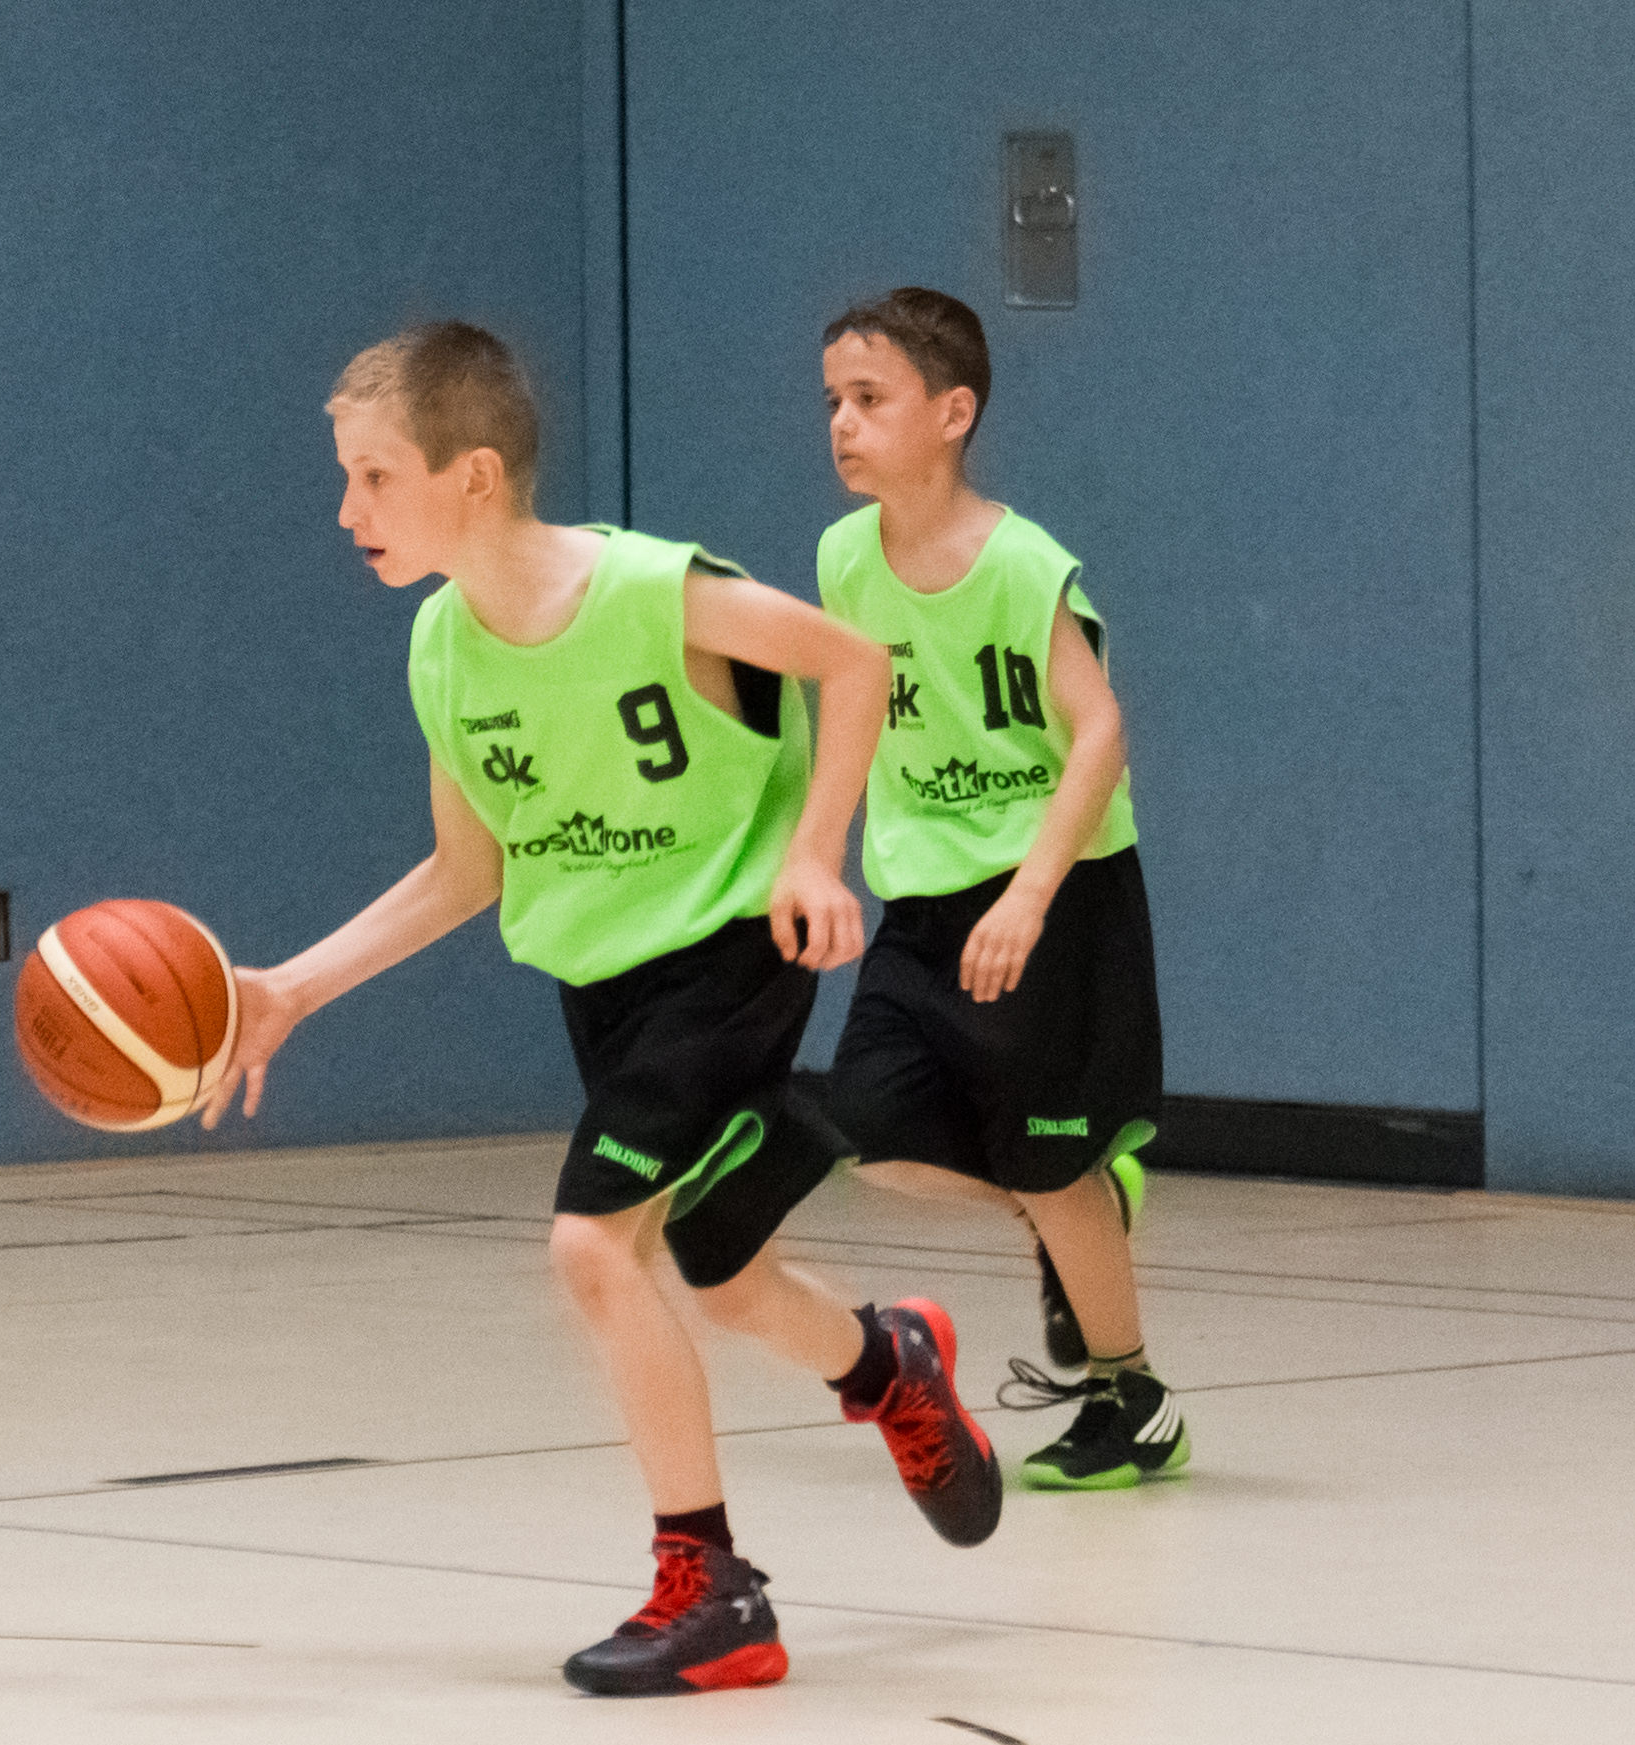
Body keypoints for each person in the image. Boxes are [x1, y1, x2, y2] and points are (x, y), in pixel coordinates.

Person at [198, 320, 1001, 1698]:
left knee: (589, 1247)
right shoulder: (442, 649)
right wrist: (288, 989)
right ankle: (888, 1362)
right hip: (604, 986)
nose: (346, 509)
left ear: (472, 474)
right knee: (721, 1272)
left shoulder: (645, 592)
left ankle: (712, 1587)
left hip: (725, 954)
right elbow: (468, 870)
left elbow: (853, 663)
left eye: (374, 476)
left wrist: (814, 853)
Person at [812, 287, 1188, 1490]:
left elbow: (1098, 731)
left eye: (869, 398)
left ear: (951, 411)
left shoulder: (1022, 565)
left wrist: (1026, 894)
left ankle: (1132, 1397)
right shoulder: (841, 559)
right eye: (832, 400)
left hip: (1051, 890)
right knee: (871, 1125)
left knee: (1042, 1153)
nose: (841, 422)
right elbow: (852, 714)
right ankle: (1067, 1202)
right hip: (924, 898)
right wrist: (812, 852)